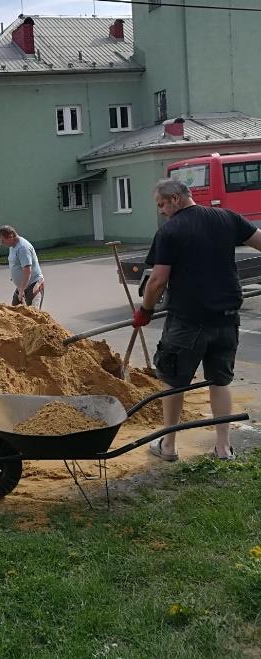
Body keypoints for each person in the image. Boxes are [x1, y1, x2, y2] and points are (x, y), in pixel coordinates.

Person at [132, 178, 261, 461]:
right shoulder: (227, 217)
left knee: (174, 382)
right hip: (227, 319)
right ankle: (223, 448)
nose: (162, 211)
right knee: (220, 382)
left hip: (188, 321)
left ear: (176, 199)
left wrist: (145, 311)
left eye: (162, 204)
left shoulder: (171, 231)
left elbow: (157, 281)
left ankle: (168, 446)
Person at [0, 225, 44, 308]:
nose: (1, 243)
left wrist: (22, 290)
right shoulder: (12, 246)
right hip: (22, 286)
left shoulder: (23, 248)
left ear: (11, 237)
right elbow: (15, 263)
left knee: (33, 315)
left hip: (32, 285)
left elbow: (27, 271)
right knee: (14, 312)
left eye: (3, 241)